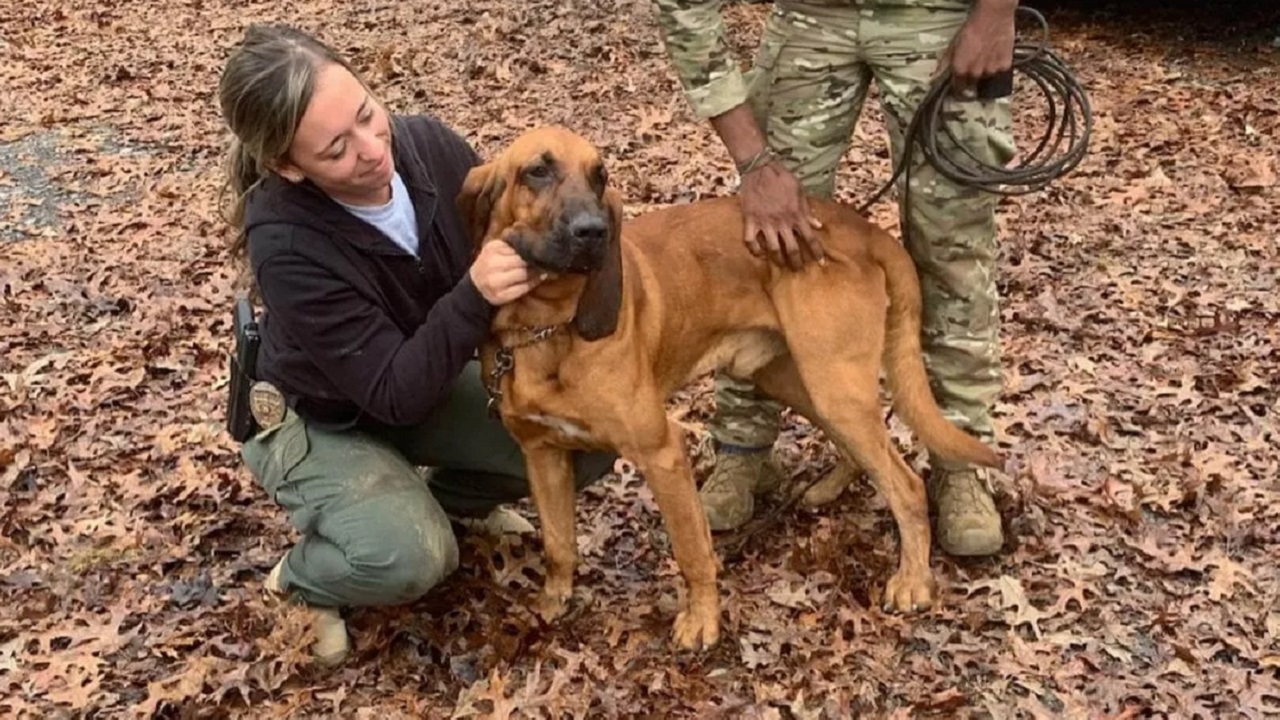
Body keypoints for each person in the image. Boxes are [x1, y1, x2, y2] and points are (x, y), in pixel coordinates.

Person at [216, 24, 615, 666]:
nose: (374, 149)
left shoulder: (428, 146)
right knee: (415, 557)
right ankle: (304, 576)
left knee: (583, 437)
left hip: (417, 374)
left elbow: (521, 228)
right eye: (337, 149)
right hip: (318, 418)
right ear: (290, 166)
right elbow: (393, 394)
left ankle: (431, 502)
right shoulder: (285, 245)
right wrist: (475, 294)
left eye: (369, 115)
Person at [652, 0, 1018, 556]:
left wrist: (995, 13)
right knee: (767, 242)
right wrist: (753, 161)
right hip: (810, 18)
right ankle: (744, 448)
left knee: (952, 249)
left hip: (938, 17)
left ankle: (959, 461)